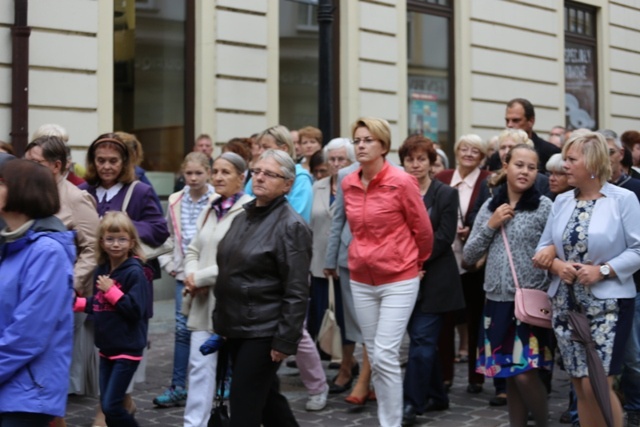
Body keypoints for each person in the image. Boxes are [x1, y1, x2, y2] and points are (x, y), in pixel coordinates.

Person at [533, 132, 640, 427]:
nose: (564, 165)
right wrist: (556, 265)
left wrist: (602, 270)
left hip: (609, 305)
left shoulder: (623, 199)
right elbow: (543, 248)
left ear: (591, 163)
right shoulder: (562, 201)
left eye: (570, 159)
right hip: (567, 305)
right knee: (580, 384)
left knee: (597, 384)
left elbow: (638, 249)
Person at [342, 117, 433, 427]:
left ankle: (390, 423)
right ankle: (387, 418)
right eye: (357, 140)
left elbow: (423, 230)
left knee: (384, 354)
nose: (361, 145)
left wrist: (415, 263)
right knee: (377, 356)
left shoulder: (402, 181)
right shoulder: (348, 183)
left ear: (383, 145)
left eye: (368, 140)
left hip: (399, 277)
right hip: (361, 278)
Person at [214, 149, 312, 427]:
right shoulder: (243, 216)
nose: (260, 178)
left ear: (287, 184)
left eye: (270, 174)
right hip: (236, 325)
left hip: (264, 330)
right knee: (268, 401)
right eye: (257, 171)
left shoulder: (291, 225)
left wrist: (285, 339)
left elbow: (297, 289)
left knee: (244, 409)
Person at [80, 133, 169, 425]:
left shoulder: (139, 191)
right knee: (101, 341)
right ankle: (118, 404)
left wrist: (121, 228)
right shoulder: (85, 190)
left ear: (125, 162)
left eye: (113, 161)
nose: (106, 166)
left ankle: (107, 410)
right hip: (94, 277)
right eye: (100, 160)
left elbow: (159, 230)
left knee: (124, 339)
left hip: (128, 279)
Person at [463, 144, 554, 427]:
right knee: (509, 374)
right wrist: (491, 225)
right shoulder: (491, 206)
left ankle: (542, 423)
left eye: (531, 167)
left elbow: (556, 250)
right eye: (519, 165)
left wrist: (550, 252)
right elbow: (468, 257)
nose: (525, 171)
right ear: (506, 166)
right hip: (497, 302)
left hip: (529, 305)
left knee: (525, 373)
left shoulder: (544, 207)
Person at [244, 125, 326, 410]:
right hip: (255, 265)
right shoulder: (255, 176)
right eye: (260, 147)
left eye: (269, 146)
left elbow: (296, 218)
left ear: (284, 147)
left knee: (294, 330)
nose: (263, 153)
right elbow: (245, 208)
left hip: (284, 262)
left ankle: (317, 385)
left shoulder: (299, 178)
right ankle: (266, 389)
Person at [24, 136, 101, 425]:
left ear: (56, 166)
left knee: (50, 373)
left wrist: (71, 284)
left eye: (37, 163)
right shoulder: (27, 194)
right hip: (30, 295)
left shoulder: (75, 198)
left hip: (63, 298)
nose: (30, 168)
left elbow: (93, 249)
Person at [0, 159, 75, 427]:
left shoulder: (47, 252)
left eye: (1, 182)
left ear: (23, 191)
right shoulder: (11, 245)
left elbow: (28, 334)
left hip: (27, 394)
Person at [181, 153, 252, 426]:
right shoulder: (211, 206)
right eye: (217, 171)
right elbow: (194, 248)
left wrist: (199, 278)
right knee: (199, 367)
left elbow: (242, 261)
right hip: (203, 303)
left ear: (241, 177)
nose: (219, 177)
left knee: (245, 374)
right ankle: (193, 423)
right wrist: (190, 274)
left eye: (226, 172)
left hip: (234, 303)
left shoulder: (249, 210)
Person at [399, 135, 464, 426]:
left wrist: (415, 260)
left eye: (421, 159)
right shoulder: (397, 191)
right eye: (410, 159)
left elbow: (444, 238)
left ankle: (411, 403)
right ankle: (437, 395)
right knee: (420, 340)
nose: (415, 164)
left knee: (422, 341)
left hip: (436, 278)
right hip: (403, 277)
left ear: (431, 162)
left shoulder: (445, 194)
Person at [74, 211, 150, 427]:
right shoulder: (103, 269)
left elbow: (136, 310)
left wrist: (111, 292)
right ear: (102, 242)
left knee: (112, 406)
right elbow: (100, 305)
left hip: (127, 349)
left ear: (131, 242)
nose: (116, 244)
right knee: (108, 406)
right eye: (110, 239)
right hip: (107, 348)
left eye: (121, 239)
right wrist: (77, 304)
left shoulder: (135, 272)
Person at [153, 152, 215, 409]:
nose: (192, 178)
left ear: (208, 173)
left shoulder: (217, 200)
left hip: (211, 272)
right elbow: (165, 235)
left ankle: (223, 379)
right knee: (181, 329)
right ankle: (178, 386)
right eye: (188, 173)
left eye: (198, 173)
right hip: (183, 274)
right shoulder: (176, 199)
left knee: (216, 327)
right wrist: (168, 263)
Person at [434, 134, 491, 394]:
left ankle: (476, 377)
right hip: (445, 259)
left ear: (482, 156)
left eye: (475, 150)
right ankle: (445, 375)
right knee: (445, 320)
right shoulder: (443, 178)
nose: (469, 154)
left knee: (475, 318)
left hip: (474, 262)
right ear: (456, 151)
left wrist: (474, 232)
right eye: (464, 148)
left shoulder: (488, 180)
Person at [308, 137, 357, 393]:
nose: (336, 164)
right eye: (333, 159)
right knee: (319, 319)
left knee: (345, 320)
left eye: (342, 159)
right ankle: (341, 359)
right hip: (318, 265)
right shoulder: (317, 187)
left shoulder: (356, 186)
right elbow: (309, 224)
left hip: (346, 265)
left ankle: (346, 368)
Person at [486, 98, 560, 172]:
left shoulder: (549, 152)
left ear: (531, 121)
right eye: (507, 120)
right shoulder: (496, 157)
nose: (509, 125)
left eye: (516, 120)